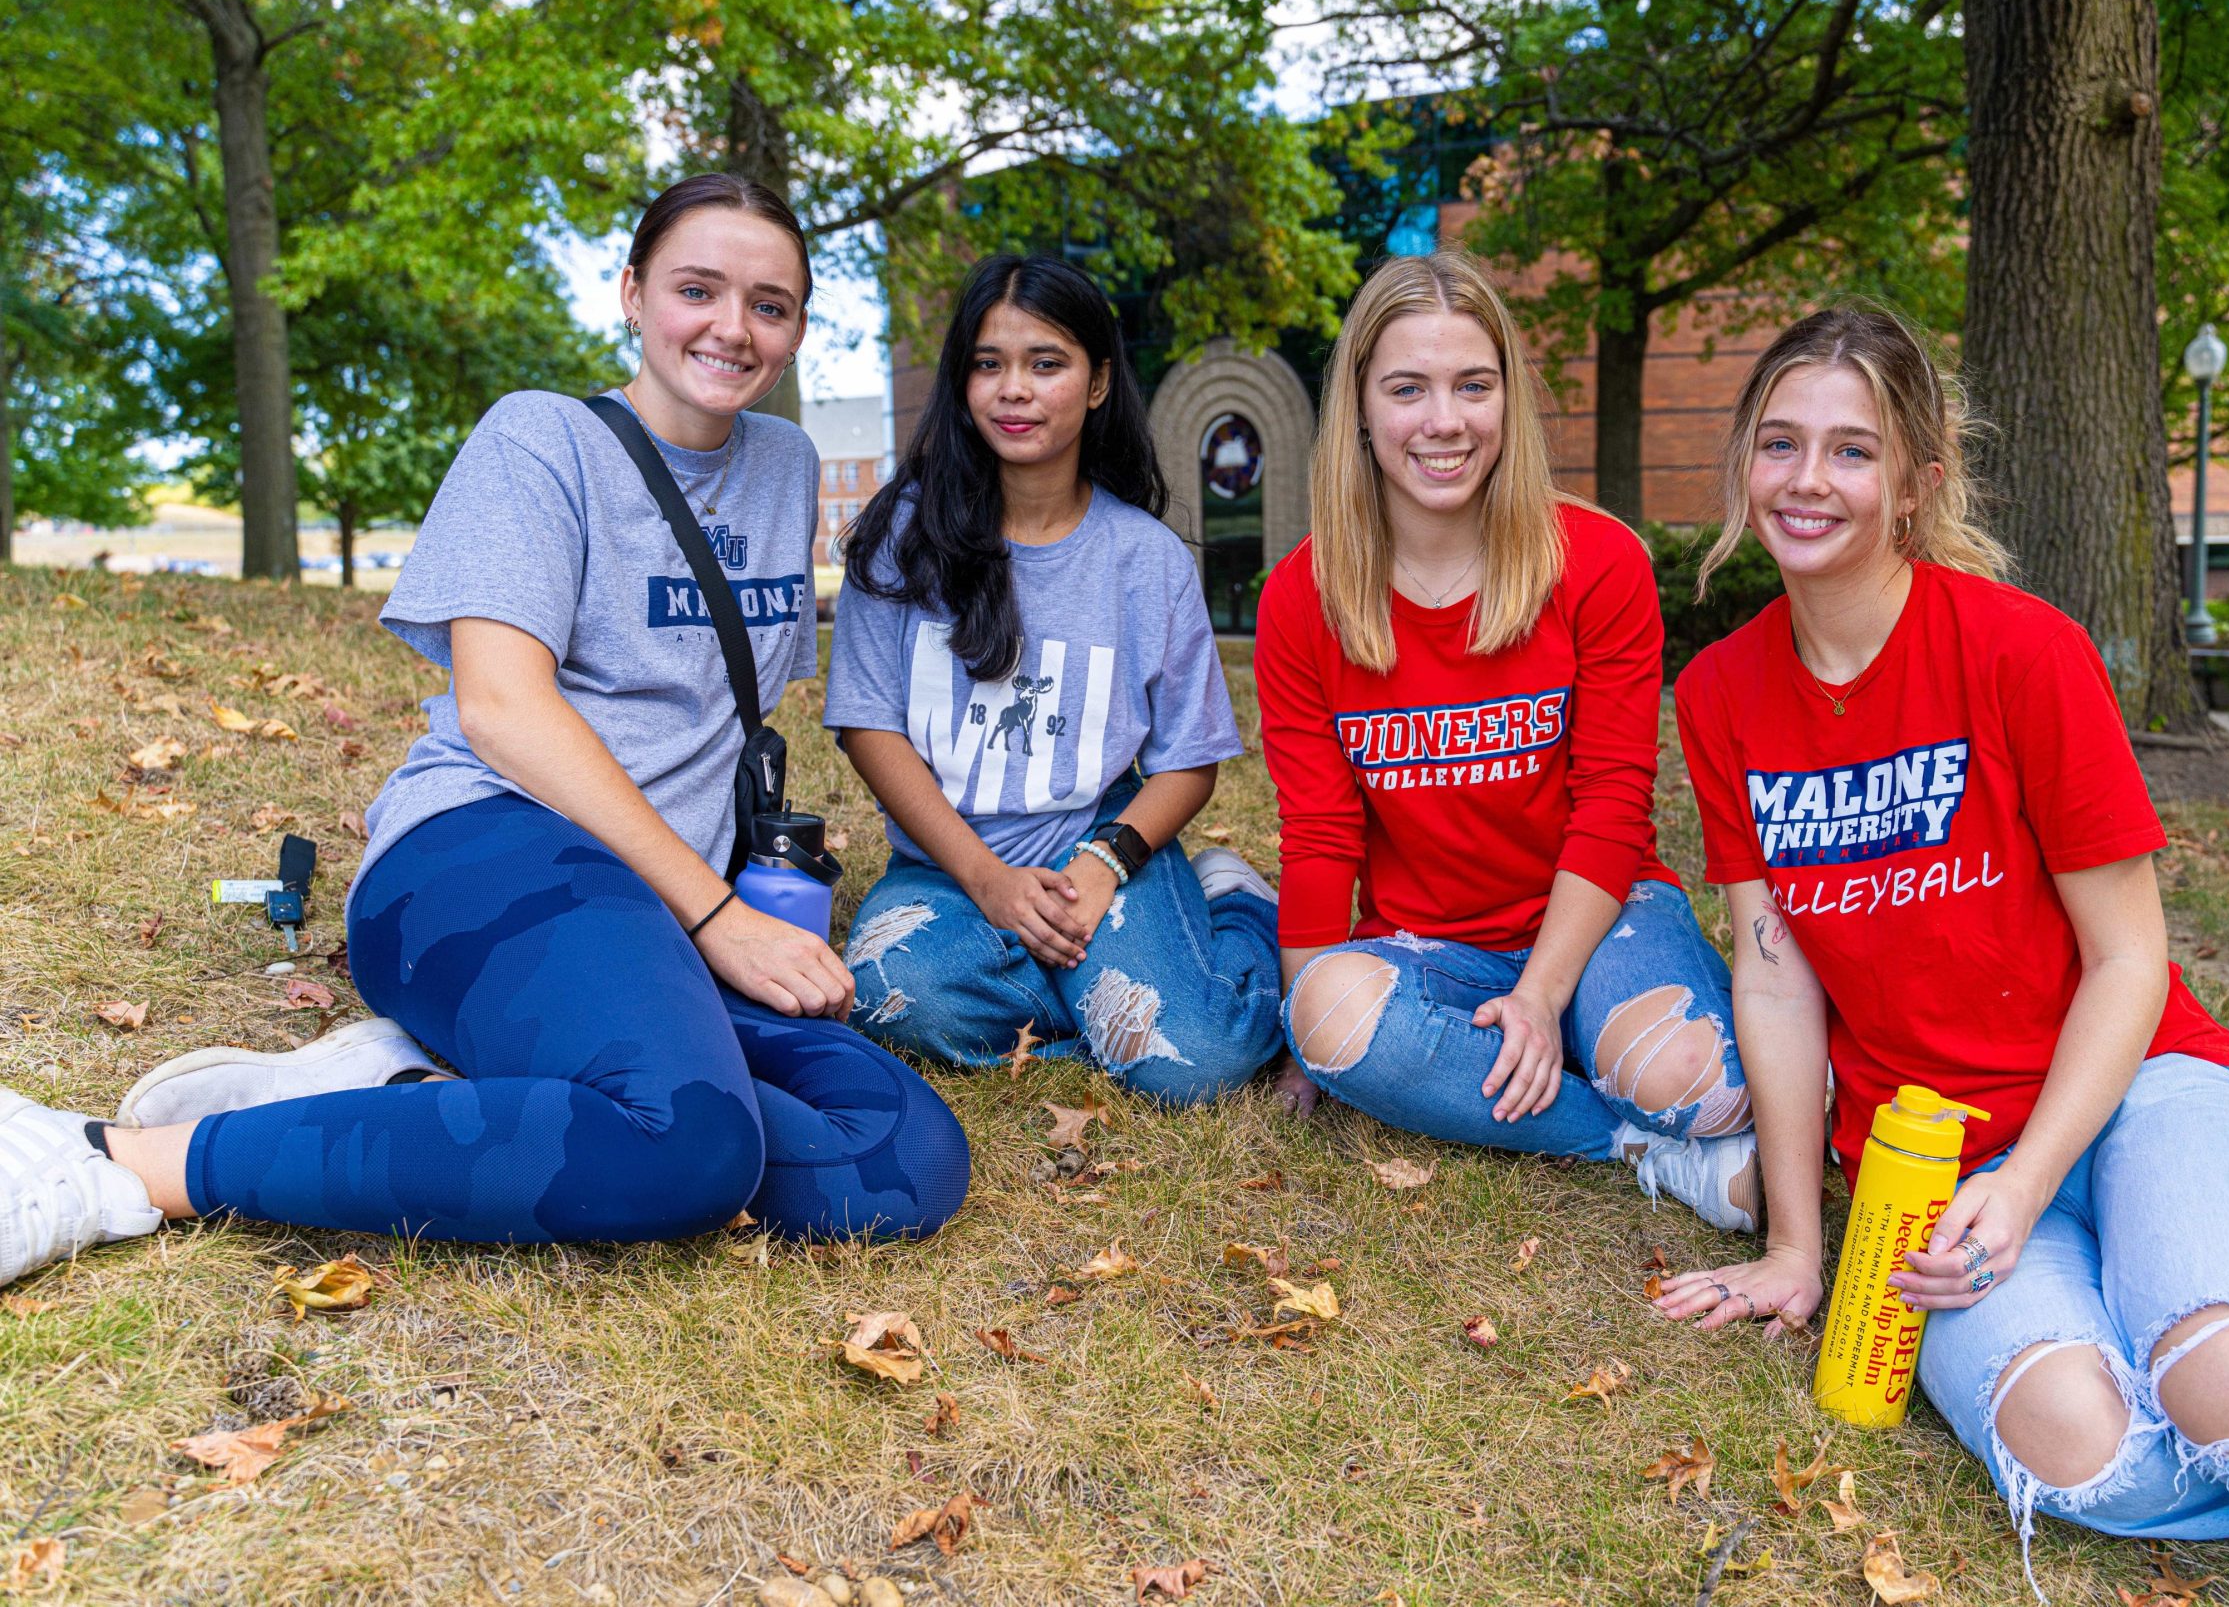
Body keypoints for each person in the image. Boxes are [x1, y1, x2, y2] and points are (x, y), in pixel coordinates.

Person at [1656, 306, 2229, 1601]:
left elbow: (2130, 960)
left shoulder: (2025, 652)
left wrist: (2027, 1183)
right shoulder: (1723, 695)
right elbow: (1772, 970)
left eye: (1853, 451)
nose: (1809, 480)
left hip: (2136, 1089)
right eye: (1781, 443)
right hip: (1935, 1156)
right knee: (2087, 1457)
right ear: (1744, 459)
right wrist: (1801, 1243)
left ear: (1921, 478)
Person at [1, 175, 968, 1292]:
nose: (732, 328)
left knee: (895, 1162)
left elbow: (719, 717)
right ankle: (111, 1164)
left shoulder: (785, 465)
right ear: (630, 292)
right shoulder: (540, 439)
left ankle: (399, 1084)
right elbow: (503, 712)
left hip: (655, 920)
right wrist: (717, 917)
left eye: (771, 304)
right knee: (687, 1147)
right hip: (479, 856)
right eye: (696, 289)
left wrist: (723, 901)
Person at [1255, 251, 1759, 1231]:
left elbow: (1613, 804)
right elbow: (1319, 837)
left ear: (1507, 401)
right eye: (1408, 389)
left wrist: (1540, 994)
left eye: (1471, 386)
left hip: (1600, 915)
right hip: (1427, 947)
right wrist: (1306, 1042)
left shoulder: (1598, 562)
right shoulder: (1301, 598)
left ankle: (1582, 1041)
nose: (1443, 421)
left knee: (1698, 1085)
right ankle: (1631, 1149)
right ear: (1360, 406)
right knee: (1321, 1010)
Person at [826, 255, 1282, 1104]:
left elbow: (1189, 761)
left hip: (1099, 850)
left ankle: (1234, 910)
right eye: (989, 363)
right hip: (948, 867)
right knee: (892, 997)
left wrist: (1108, 859)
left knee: (1203, 1069)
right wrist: (987, 880)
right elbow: (867, 725)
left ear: (1099, 381)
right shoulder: (902, 537)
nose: (1014, 390)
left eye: (1047, 363)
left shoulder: (1143, 559)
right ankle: (1105, 1012)